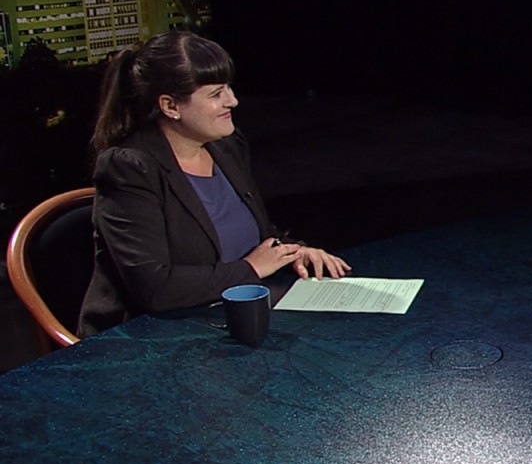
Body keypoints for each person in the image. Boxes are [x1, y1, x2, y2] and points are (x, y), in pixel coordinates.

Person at [78, 31, 350, 336]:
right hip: (149, 338)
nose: (232, 100)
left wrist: (292, 251)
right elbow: (154, 288)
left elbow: (257, 235)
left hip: (226, 319)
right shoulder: (129, 168)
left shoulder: (227, 147)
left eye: (229, 89)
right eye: (216, 93)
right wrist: (252, 269)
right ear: (170, 106)